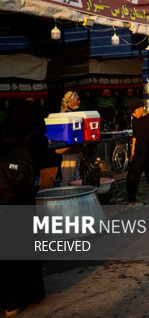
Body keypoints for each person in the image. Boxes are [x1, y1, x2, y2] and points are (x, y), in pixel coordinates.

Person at [0, 101, 49, 316]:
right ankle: (20, 298)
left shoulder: (4, 130)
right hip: (22, 198)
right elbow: (44, 161)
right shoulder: (36, 134)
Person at [126, 99, 149, 210]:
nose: (133, 114)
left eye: (134, 111)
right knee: (132, 178)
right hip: (138, 154)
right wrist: (132, 152)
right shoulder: (134, 120)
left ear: (141, 109)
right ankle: (131, 201)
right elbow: (135, 137)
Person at [58, 91, 82, 184]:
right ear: (70, 101)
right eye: (77, 99)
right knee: (68, 176)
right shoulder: (64, 114)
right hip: (68, 150)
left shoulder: (72, 113)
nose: (79, 101)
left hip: (75, 149)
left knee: (75, 175)